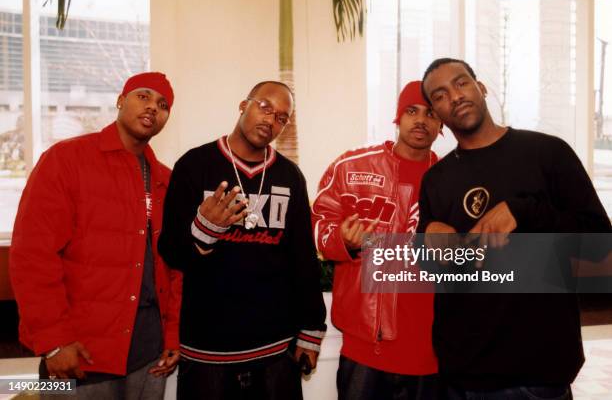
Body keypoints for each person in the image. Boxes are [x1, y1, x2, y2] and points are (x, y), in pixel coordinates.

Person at [419, 58, 612, 399]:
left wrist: (524, 212)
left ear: (481, 88)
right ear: (437, 114)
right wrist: (429, 244)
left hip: (535, 375)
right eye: (440, 95)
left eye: (461, 83)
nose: (455, 96)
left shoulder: (548, 153)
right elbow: (439, 271)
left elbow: (600, 246)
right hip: (460, 376)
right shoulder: (436, 180)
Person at [9, 72, 182, 399]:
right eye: (143, 96)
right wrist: (53, 341)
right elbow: (33, 255)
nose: (152, 108)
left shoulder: (165, 180)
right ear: (120, 100)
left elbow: (174, 268)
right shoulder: (66, 160)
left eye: (163, 104)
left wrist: (172, 335)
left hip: (148, 356)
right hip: (79, 354)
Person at [158, 80, 327, 400]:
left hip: (275, 349)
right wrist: (204, 230)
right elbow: (171, 251)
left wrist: (311, 330)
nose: (270, 119)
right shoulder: (194, 165)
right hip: (207, 350)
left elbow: (303, 260)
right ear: (243, 105)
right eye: (264, 106)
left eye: (281, 117)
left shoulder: (290, 176)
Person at [311, 80, 442, 400]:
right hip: (366, 347)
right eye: (412, 111)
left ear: (441, 124)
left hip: (431, 349)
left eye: (431, 113)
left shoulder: (452, 177)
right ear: (398, 117)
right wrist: (341, 239)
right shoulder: (351, 166)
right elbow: (317, 224)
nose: (421, 120)